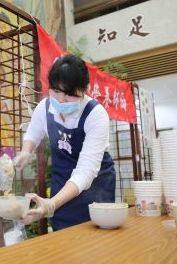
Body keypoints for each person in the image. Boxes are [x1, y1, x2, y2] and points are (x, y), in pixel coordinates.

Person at [13, 54, 116, 231]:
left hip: (95, 184)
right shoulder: (44, 107)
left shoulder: (95, 115)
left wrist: (52, 204)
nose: (61, 99)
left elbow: (85, 171)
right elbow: (33, 132)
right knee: (63, 234)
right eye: (56, 91)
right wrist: (25, 152)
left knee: (95, 239)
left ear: (85, 90)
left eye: (69, 94)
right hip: (62, 181)